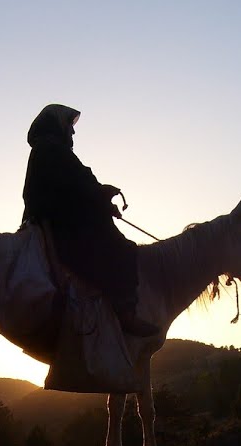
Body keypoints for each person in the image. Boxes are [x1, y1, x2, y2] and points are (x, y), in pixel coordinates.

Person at [20, 104, 160, 337]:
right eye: (69, 126)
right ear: (57, 125)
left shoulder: (48, 150)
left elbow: (77, 187)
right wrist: (102, 196)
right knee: (124, 250)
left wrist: (102, 200)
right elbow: (77, 188)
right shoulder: (53, 150)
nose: (72, 132)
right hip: (63, 226)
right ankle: (125, 313)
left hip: (59, 220)